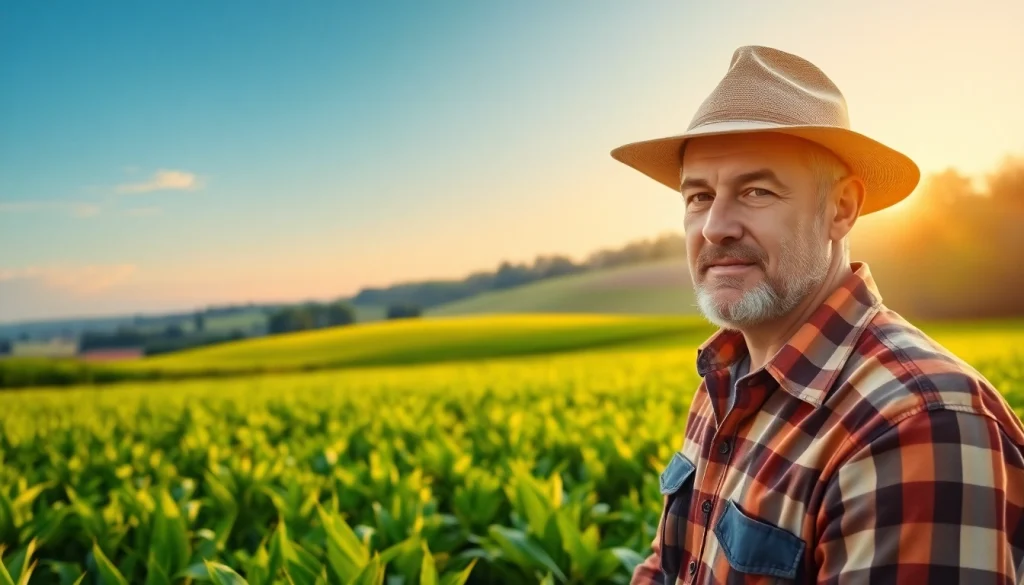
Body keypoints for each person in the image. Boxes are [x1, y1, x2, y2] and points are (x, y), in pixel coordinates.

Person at [610, 45, 1024, 584]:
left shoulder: (918, 426)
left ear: (841, 209)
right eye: (698, 196)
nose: (715, 226)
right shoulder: (726, 376)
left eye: (756, 191)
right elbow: (668, 566)